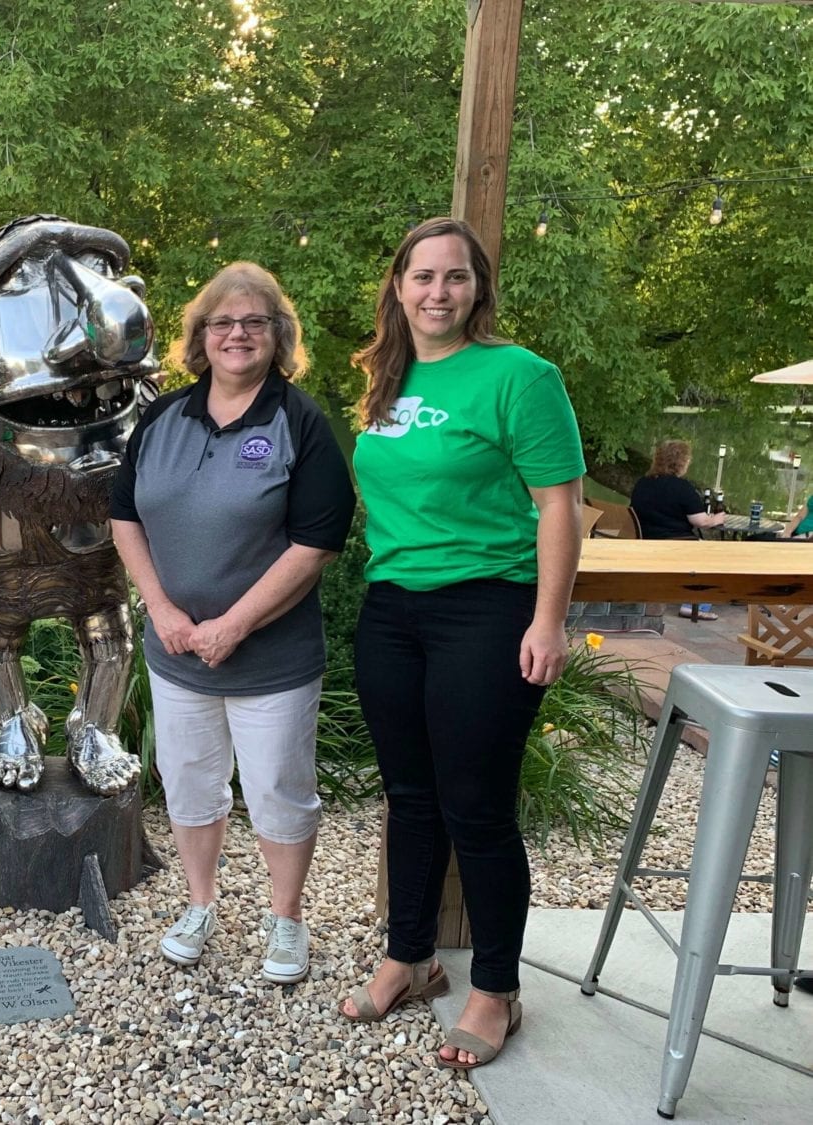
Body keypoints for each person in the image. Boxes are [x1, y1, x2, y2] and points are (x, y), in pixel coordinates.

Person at [341, 217, 585, 1069]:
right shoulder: (385, 378)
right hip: (393, 609)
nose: (437, 291)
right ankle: (408, 959)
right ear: (398, 287)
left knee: (475, 805)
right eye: (422, 276)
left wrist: (548, 620)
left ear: (478, 288)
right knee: (408, 796)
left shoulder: (520, 375)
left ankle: (496, 988)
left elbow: (560, 502)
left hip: (489, 608)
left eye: (455, 277)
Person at [109, 261, 355, 984]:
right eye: (223, 322)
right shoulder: (160, 417)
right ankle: (200, 901)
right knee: (187, 781)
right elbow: (124, 516)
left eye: (254, 322)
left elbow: (317, 543)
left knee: (278, 784)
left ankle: (286, 919)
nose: (237, 334)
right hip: (176, 648)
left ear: (278, 335)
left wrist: (235, 625)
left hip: (270, 658)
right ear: (200, 337)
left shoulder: (299, 422)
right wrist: (159, 605)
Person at [630, 440, 725, 619]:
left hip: (644, 540)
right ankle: (696, 605)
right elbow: (700, 521)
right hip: (676, 544)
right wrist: (716, 519)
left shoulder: (642, 483)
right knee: (713, 554)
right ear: (681, 462)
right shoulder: (682, 488)